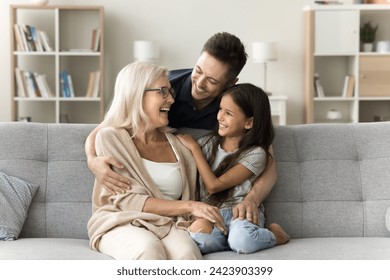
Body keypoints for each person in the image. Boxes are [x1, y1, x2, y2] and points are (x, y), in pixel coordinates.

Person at [85, 32, 277, 226]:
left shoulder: (232, 106)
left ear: (229, 84)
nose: (200, 83)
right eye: (199, 70)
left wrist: (252, 199)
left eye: (212, 81)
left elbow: (267, 161)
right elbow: (108, 125)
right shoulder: (165, 88)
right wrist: (93, 160)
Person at [87, 62, 227, 260]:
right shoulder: (111, 138)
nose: (171, 99)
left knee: (187, 254)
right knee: (148, 249)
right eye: (162, 91)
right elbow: (129, 201)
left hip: (169, 224)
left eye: (170, 91)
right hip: (121, 221)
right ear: (136, 94)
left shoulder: (180, 146)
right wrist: (191, 206)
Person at [177, 84, 289, 254]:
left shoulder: (256, 153)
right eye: (220, 109)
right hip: (212, 213)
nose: (220, 117)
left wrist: (194, 149)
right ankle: (228, 240)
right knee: (197, 237)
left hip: (240, 213)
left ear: (249, 122)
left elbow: (214, 185)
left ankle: (276, 235)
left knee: (243, 240)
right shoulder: (207, 144)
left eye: (228, 113)